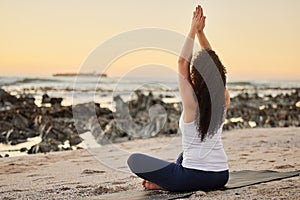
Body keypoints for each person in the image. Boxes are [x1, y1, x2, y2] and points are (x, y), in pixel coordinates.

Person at [127, 5, 230, 192]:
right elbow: (213, 67)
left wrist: (193, 29)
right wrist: (201, 34)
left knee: (134, 160)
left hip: (192, 177)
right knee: (184, 155)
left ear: (196, 76)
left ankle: (167, 183)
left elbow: (183, 62)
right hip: (221, 175)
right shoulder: (223, 100)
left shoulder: (191, 103)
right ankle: (167, 181)